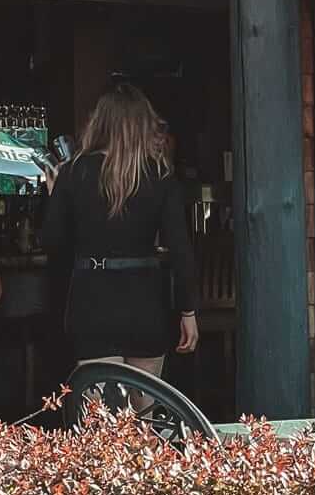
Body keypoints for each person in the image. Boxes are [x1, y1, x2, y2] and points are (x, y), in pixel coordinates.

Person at [41, 80, 199, 378]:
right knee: (143, 416)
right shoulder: (160, 174)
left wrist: (56, 198)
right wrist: (188, 312)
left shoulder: (74, 171)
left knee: (104, 420)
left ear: (98, 124)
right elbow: (181, 250)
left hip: (92, 302)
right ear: (144, 125)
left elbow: (52, 242)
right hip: (145, 303)